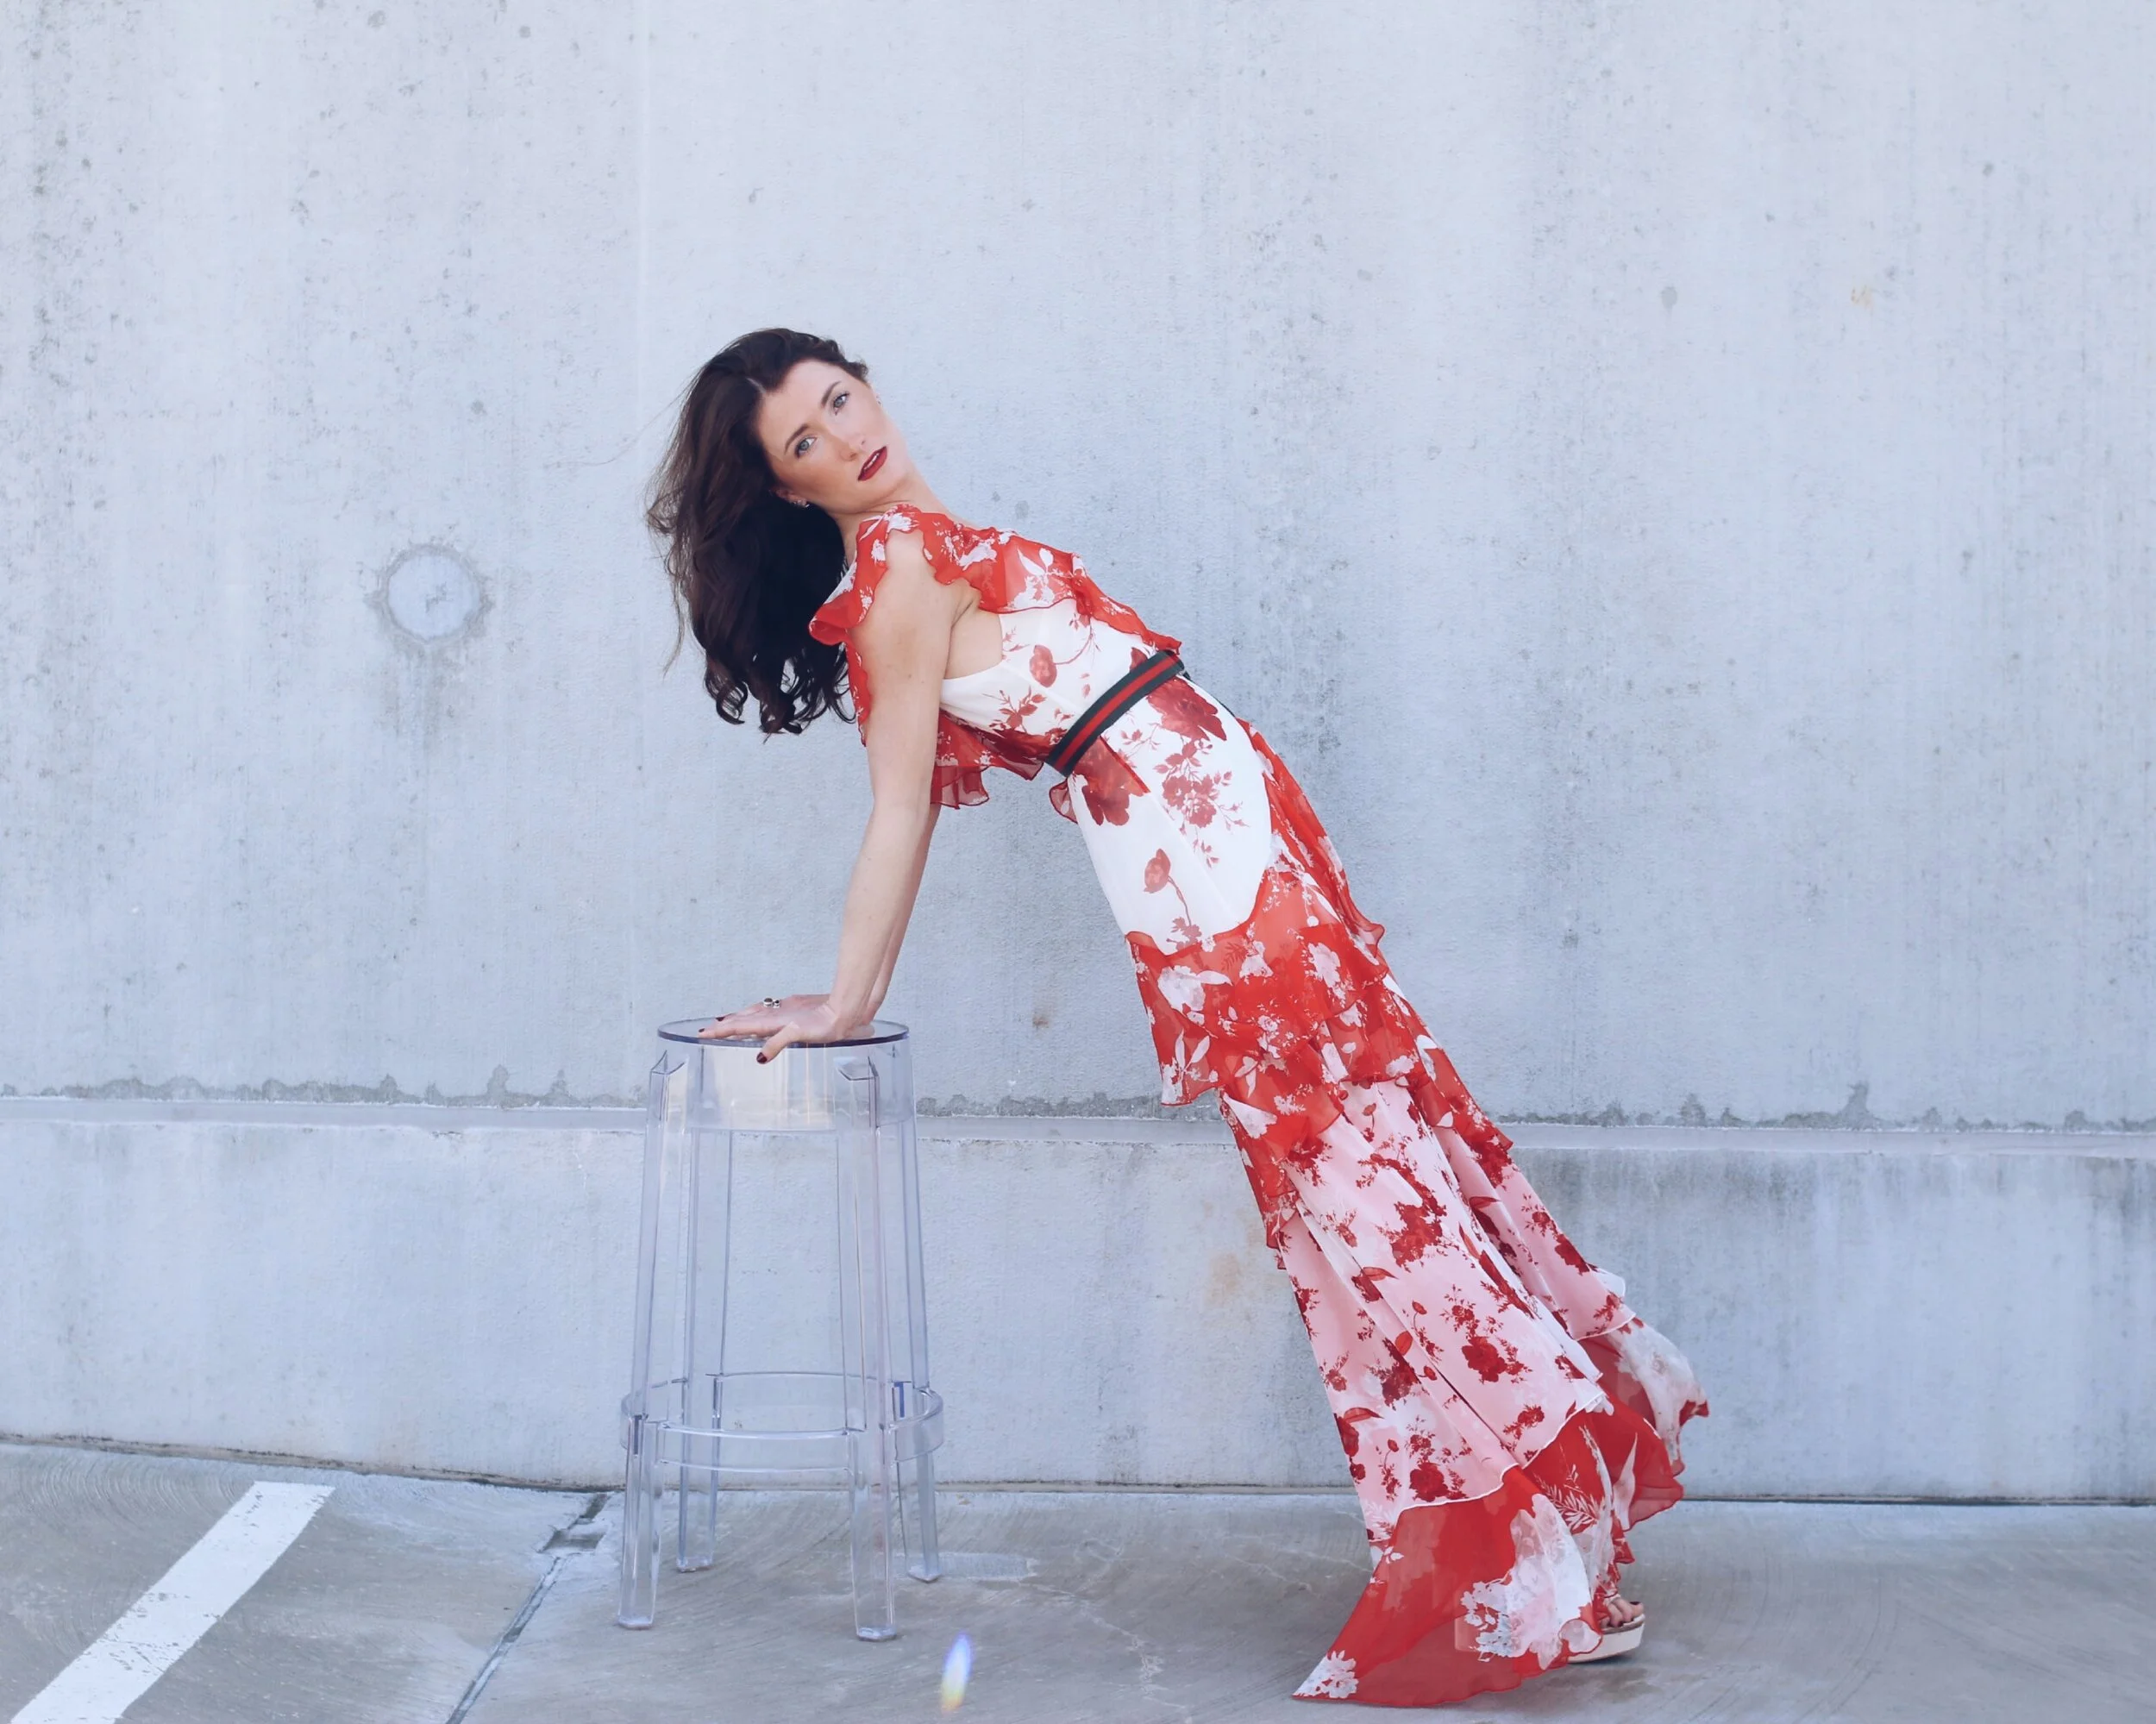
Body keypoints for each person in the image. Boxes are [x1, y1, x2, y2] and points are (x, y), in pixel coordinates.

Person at [651, 328, 1707, 1707]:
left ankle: (1547, 1544)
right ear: (790, 489)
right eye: (807, 441)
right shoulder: (901, 574)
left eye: (841, 399)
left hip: (1247, 857)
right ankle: (1539, 1546)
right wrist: (849, 998)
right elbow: (899, 806)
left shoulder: (934, 545)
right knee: (1372, 1205)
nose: (848, 436)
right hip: (1217, 894)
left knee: (1389, 1186)